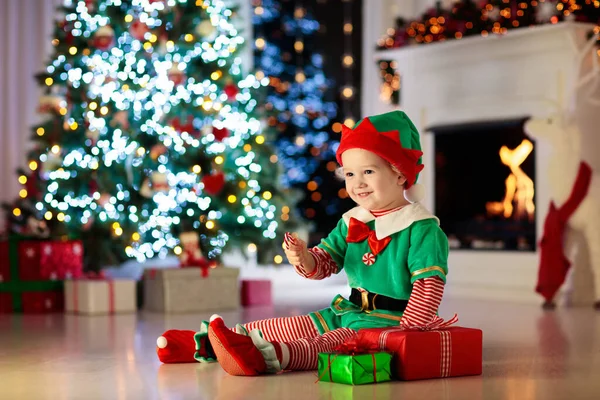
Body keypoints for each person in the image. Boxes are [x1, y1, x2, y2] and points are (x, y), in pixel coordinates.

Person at [157, 110, 453, 376]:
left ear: (400, 174)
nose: (357, 183)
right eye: (350, 174)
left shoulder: (421, 229)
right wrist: (303, 257)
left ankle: (266, 357)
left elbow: (428, 288)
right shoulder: (354, 221)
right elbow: (325, 262)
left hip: (387, 322)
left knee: (329, 344)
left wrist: (406, 336)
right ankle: (209, 343)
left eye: (368, 172)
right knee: (289, 325)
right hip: (347, 310)